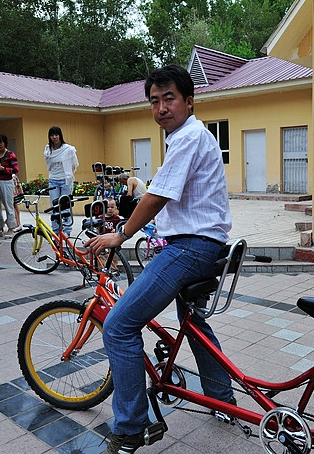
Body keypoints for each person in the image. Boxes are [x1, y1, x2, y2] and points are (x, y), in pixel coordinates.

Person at [85, 65, 233, 454]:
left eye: (169, 98)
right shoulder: (190, 138)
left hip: (190, 249)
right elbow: (163, 196)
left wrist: (123, 232)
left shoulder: (188, 137)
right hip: (201, 244)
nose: (162, 108)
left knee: (118, 325)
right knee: (193, 322)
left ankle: (132, 427)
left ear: (189, 101)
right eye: (155, 101)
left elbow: (159, 195)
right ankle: (222, 399)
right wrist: (131, 215)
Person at [44, 126, 78, 235]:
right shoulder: (48, 149)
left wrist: (67, 174)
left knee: (65, 207)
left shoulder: (68, 149)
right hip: (53, 180)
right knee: (55, 208)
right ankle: (56, 233)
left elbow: (74, 164)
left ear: (60, 136)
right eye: (52, 135)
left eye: (56, 135)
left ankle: (67, 232)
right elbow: (48, 165)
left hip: (65, 180)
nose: (54, 137)